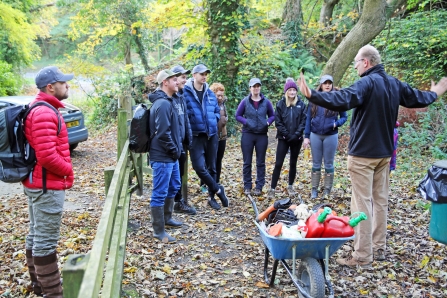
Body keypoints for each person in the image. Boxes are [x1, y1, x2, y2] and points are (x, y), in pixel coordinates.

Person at [297, 44, 447, 268]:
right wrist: (435, 93)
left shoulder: (367, 82)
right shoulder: (394, 84)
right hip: (384, 155)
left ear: (366, 62)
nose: (356, 66)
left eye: (357, 62)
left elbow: (343, 99)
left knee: (362, 205)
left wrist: (312, 95)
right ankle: (379, 248)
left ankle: (362, 256)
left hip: (363, 156)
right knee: (380, 202)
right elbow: (418, 97)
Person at [24, 66, 75, 297]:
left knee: (36, 235)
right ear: (50, 87)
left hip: (38, 184)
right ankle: (53, 293)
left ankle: (39, 287)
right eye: (63, 82)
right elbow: (46, 156)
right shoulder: (44, 112)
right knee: (44, 242)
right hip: (47, 187)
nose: (67, 85)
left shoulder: (41, 108)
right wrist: (68, 171)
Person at [183, 64, 229, 210]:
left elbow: (216, 109)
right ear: (194, 75)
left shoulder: (209, 93)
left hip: (212, 135)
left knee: (212, 167)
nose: (204, 76)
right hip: (196, 136)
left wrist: (214, 120)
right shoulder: (186, 93)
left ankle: (212, 197)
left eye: (206, 74)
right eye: (201, 74)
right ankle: (218, 189)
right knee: (198, 167)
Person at [148, 69, 183, 243]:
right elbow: (162, 133)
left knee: (174, 185)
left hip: (171, 156)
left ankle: (167, 218)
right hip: (163, 156)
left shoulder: (169, 102)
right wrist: (174, 150)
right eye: (174, 80)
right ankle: (159, 231)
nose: (178, 82)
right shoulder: (162, 104)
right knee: (159, 192)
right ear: (165, 83)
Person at [302, 74, 348, 199]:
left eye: (329, 83)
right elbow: (308, 119)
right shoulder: (314, 98)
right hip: (315, 134)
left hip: (330, 135)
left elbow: (344, 116)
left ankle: (327, 190)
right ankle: (314, 190)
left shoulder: (337, 98)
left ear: (332, 84)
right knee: (316, 163)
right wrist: (306, 136)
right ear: (321, 85)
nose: (327, 85)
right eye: (325, 83)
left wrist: (336, 123)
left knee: (329, 164)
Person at [267, 78, 306, 199]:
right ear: (286, 91)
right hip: (284, 138)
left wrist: (296, 135)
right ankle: (272, 188)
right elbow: (278, 122)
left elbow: (304, 121)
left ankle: (290, 186)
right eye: (290, 90)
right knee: (278, 163)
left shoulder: (301, 104)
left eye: (294, 90)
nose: (292, 92)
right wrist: (287, 135)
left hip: (297, 139)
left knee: (293, 163)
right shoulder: (280, 104)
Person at [235, 78, 275, 196]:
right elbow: (238, 115)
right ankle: (247, 185)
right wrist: (246, 122)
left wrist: (267, 122)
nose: (256, 88)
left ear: (260, 88)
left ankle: (259, 186)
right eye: (254, 86)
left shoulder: (266, 102)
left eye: (258, 86)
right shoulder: (245, 101)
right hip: (248, 134)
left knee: (260, 162)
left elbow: (272, 115)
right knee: (247, 162)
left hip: (262, 135)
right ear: (250, 88)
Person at [170, 65, 196, 215]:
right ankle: (172, 205)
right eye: (182, 77)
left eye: (186, 77)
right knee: (171, 177)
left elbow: (185, 120)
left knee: (179, 175)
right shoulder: (168, 98)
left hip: (181, 144)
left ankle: (178, 202)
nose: (185, 80)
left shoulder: (181, 96)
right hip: (172, 145)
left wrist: (188, 139)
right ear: (174, 79)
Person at [209, 83, 228, 184]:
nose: (220, 97)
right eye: (218, 95)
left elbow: (226, 116)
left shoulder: (223, 104)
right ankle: (205, 182)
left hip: (222, 136)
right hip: (212, 136)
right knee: (210, 161)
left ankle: (216, 181)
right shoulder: (209, 104)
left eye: (222, 95)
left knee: (218, 160)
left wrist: (225, 119)